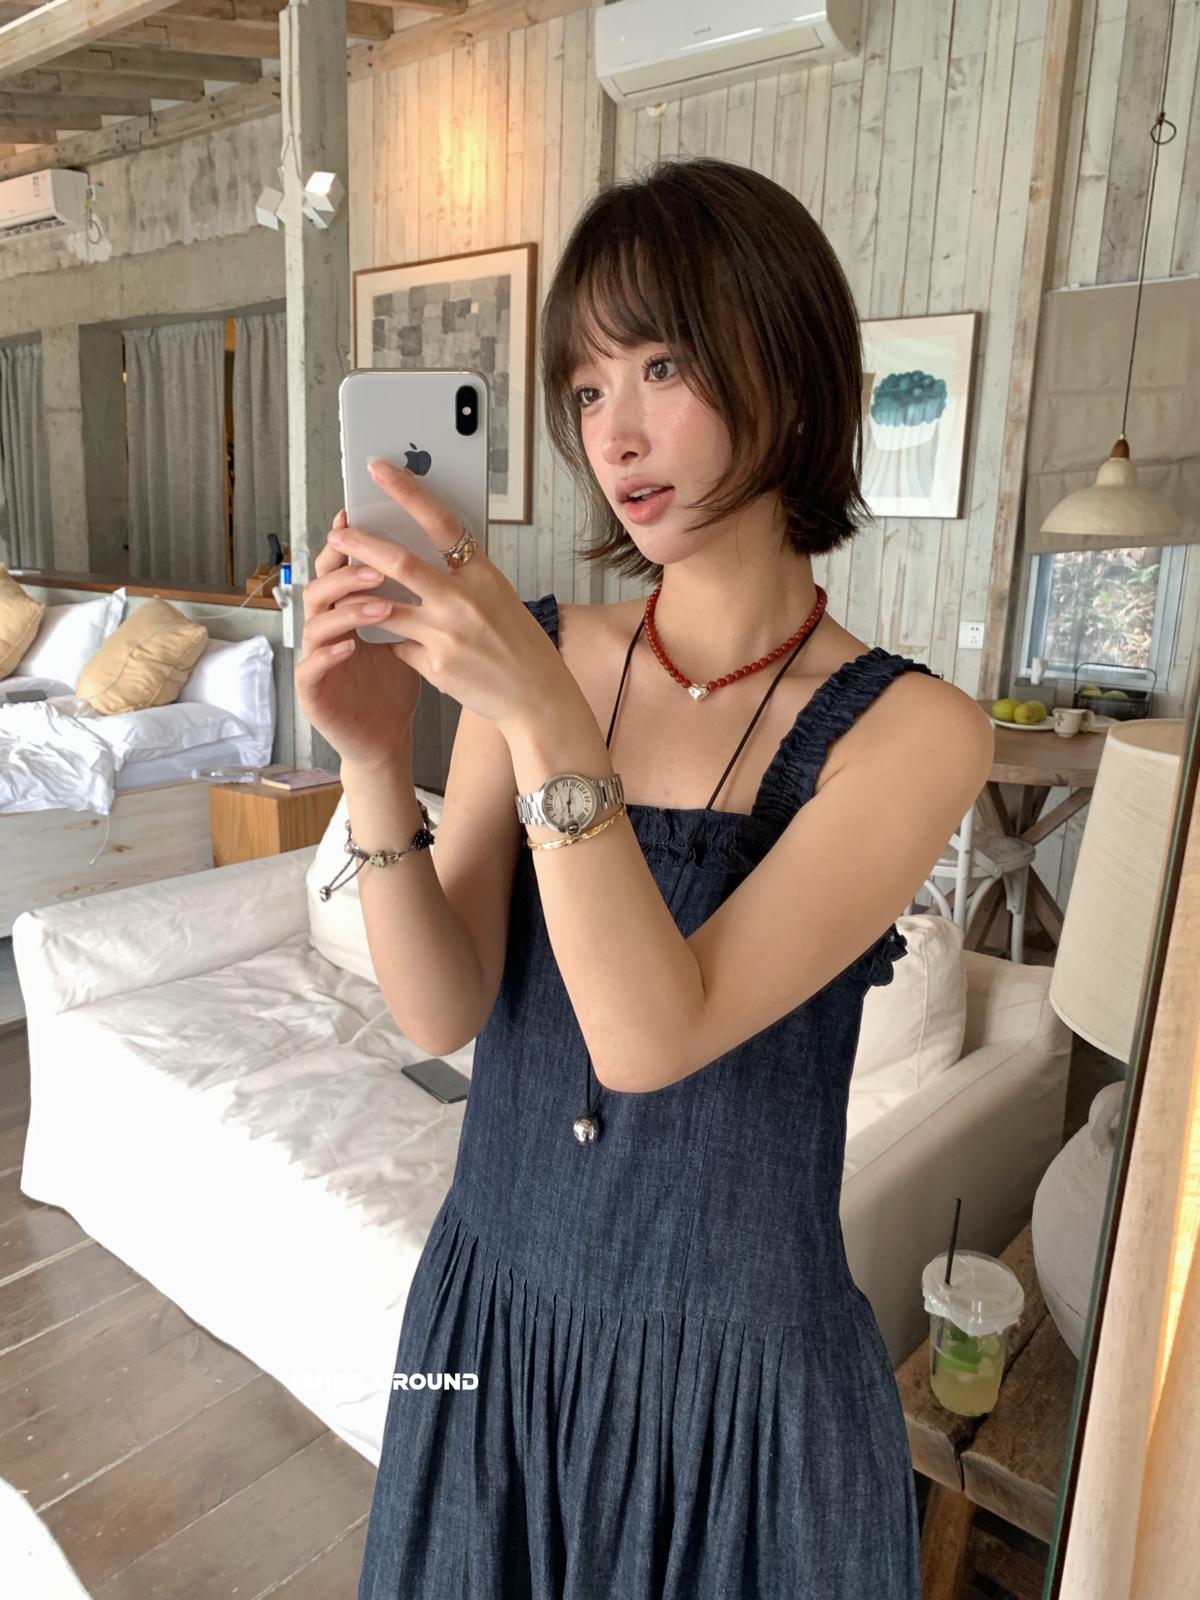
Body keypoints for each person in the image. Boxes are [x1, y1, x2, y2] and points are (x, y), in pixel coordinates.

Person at [297, 156, 994, 1599]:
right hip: (482, 1333)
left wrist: (543, 714)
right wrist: (372, 756)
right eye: (584, 388)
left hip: (738, 1402)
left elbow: (649, 1033)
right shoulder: (543, 650)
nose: (613, 434)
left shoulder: (915, 733)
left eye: (662, 365)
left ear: (785, 367)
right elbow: (441, 1009)